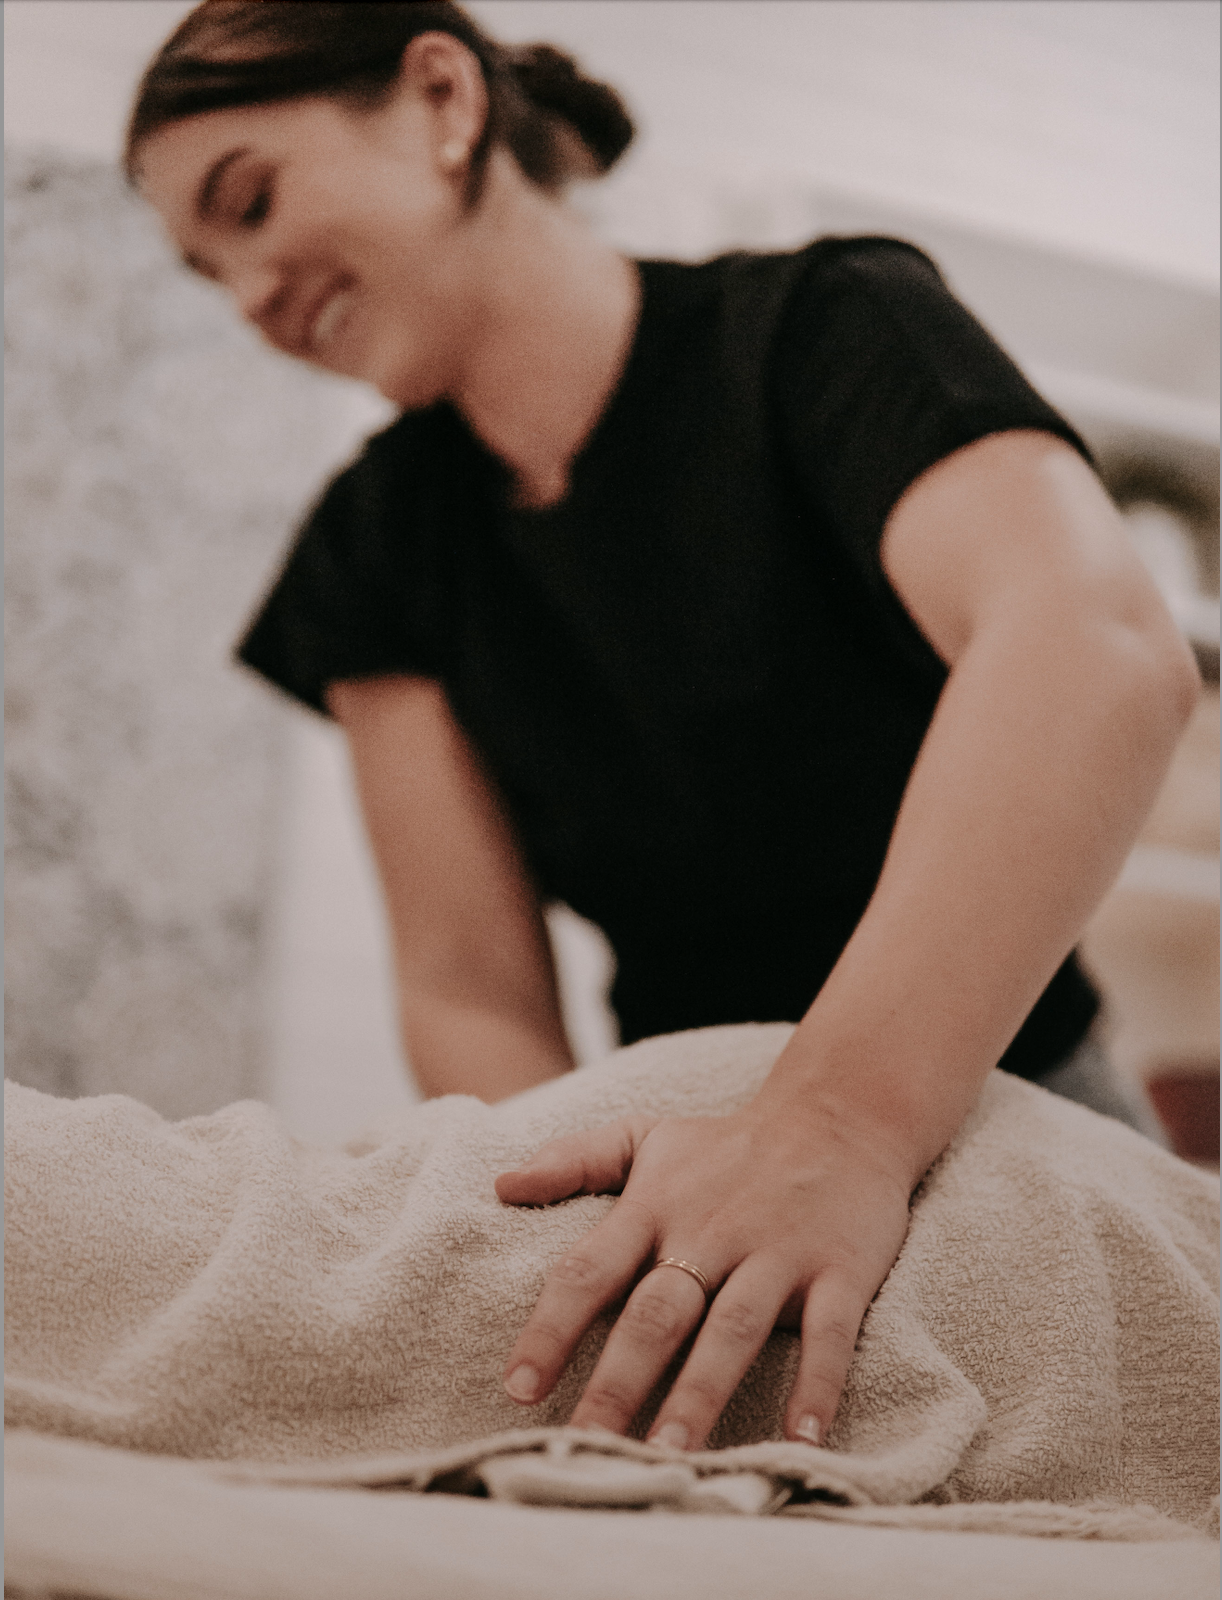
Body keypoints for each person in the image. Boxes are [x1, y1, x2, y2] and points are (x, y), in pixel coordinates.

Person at [126, 2, 1198, 1458]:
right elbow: (468, 983)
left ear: (443, 98)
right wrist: (581, 1220)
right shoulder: (376, 542)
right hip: (667, 1139)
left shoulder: (821, 327)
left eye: (249, 203)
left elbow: (1093, 652)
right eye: (207, 273)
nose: (247, 293)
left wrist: (839, 1128)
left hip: (1001, 1095)